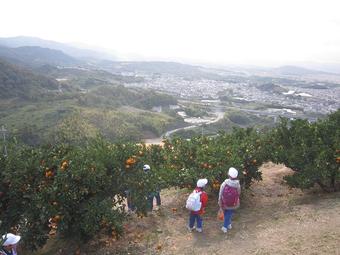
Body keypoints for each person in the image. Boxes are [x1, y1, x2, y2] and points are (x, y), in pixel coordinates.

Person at [218, 167, 241, 233]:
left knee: (226, 213)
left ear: (228, 175)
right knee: (229, 213)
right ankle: (228, 224)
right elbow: (239, 193)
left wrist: (220, 202)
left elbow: (220, 193)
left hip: (224, 202)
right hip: (233, 203)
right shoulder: (237, 184)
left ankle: (224, 227)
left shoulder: (224, 183)